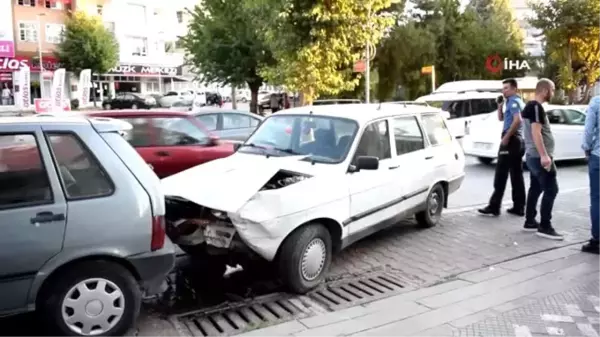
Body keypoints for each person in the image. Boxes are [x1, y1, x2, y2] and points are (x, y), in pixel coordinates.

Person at [521, 78, 563, 240]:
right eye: (552, 90)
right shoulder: (536, 107)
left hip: (532, 155)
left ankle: (530, 221)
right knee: (552, 189)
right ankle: (545, 226)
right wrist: (544, 156)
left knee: (536, 188)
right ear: (545, 90)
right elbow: (536, 132)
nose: (553, 93)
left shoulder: (529, 106)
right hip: (539, 156)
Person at [478, 78, 526, 216]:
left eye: (506, 88)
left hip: (511, 140)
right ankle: (519, 206)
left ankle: (494, 206)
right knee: (516, 174)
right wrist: (500, 106)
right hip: (517, 141)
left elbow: (518, 120)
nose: (503, 90)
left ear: (514, 89)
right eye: (503, 88)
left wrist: (506, 137)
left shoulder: (514, 102)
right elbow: (502, 118)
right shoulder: (512, 102)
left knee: (501, 174)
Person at [582, 94, 600, 253]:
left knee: (597, 199)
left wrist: (586, 148)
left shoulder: (596, 102)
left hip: (598, 156)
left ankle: (597, 240)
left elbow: (589, 129)